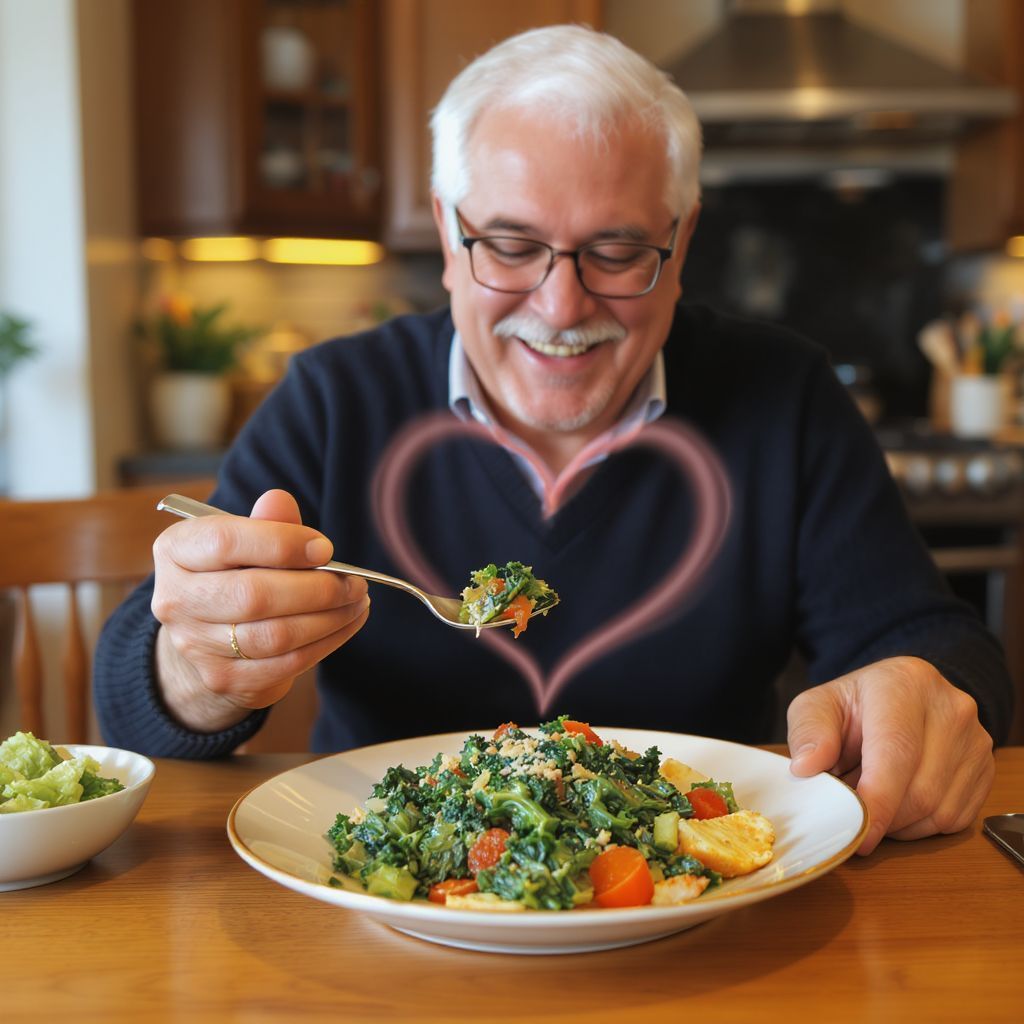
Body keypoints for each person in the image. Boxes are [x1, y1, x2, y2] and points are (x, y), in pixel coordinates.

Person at [95, 25, 1012, 855]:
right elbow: (136, 697)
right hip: (382, 899)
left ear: (682, 242)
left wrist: (925, 691)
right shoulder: (336, 396)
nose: (562, 305)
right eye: (509, 244)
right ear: (450, 238)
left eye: (616, 252)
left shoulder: (784, 394)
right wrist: (197, 668)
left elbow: (930, 639)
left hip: (704, 900)